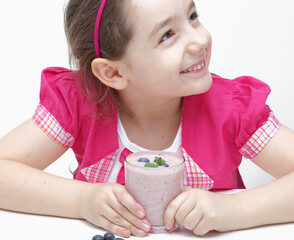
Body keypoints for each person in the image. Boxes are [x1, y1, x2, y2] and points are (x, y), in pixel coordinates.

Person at [0, 0, 294, 238]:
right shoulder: (80, 103)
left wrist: (233, 210)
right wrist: (81, 200)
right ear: (113, 73)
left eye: (192, 16)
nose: (200, 39)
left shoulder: (232, 108)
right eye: (167, 35)